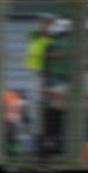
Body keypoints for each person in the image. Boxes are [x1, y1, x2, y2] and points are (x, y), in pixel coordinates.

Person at [23, 14, 55, 154]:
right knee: (35, 110)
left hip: (46, 76)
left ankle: (40, 141)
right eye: (42, 22)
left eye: (46, 23)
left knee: (41, 110)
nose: (43, 25)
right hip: (37, 74)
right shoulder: (37, 36)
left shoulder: (49, 37)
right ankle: (36, 141)